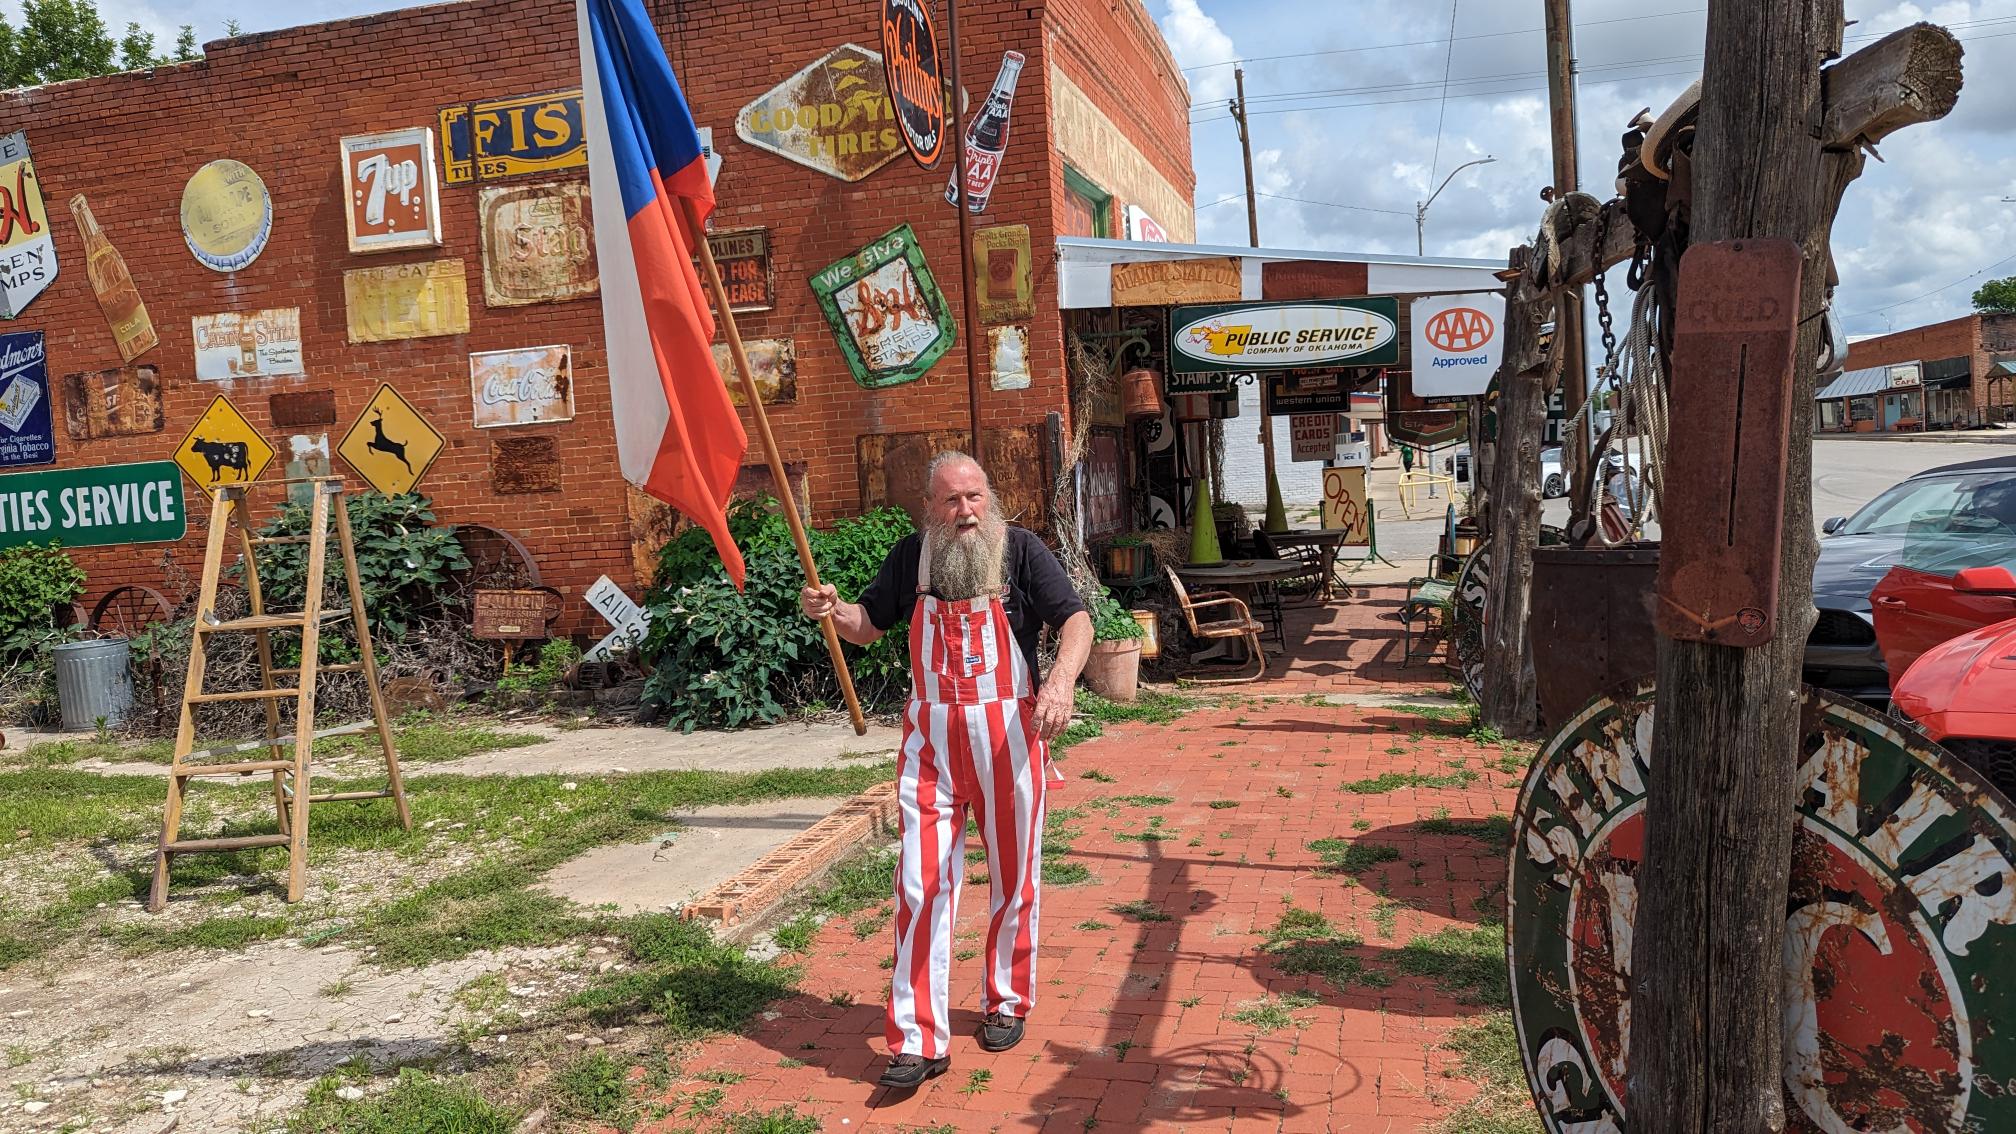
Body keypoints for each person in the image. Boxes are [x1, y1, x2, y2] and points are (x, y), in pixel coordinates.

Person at [799, 452, 1092, 1089]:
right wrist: (833, 609)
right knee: (920, 884)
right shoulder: (912, 558)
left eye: (974, 497)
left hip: (1010, 741)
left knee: (1014, 878)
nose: (965, 512)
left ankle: (1007, 1000)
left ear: (990, 499)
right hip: (930, 746)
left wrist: (1061, 681)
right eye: (952, 500)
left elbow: (1076, 619)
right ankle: (917, 1039)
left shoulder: (1020, 552)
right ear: (930, 508)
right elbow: (867, 626)